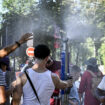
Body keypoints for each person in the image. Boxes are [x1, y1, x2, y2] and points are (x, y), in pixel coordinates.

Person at [0, 33, 33, 105]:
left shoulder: (10, 73)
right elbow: (2, 99)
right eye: (5, 67)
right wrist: (12, 88)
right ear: (3, 65)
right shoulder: (1, 73)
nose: (5, 70)